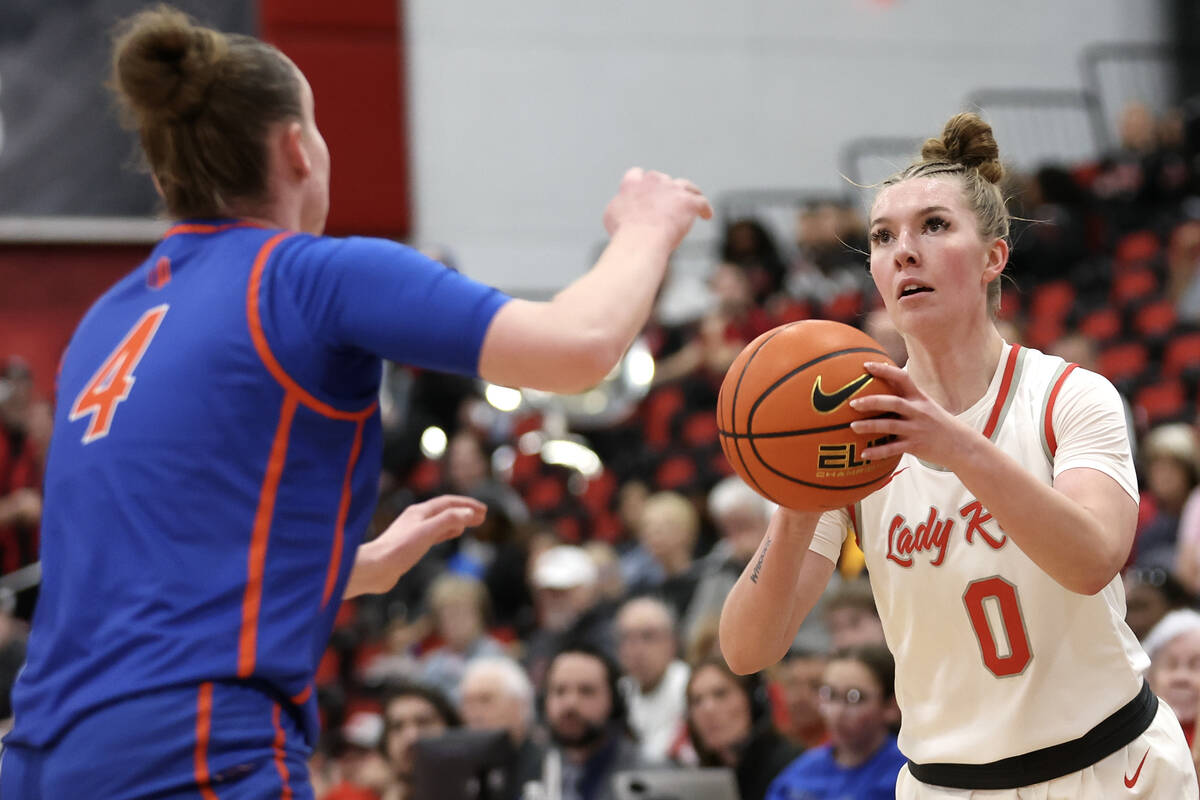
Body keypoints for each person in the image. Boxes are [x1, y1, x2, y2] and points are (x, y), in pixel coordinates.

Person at [1, 7, 711, 799]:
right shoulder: (306, 276)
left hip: (39, 756)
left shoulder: (106, 322)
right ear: (298, 150)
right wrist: (646, 227)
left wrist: (354, 569)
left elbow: (136, 574)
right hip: (190, 747)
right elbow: (579, 346)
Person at [719, 112, 1198, 797]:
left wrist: (952, 446)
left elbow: (1094, 561)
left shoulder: (1067, 395)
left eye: (934, 226)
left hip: (1110, 769)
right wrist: (798, 504)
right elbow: (748, 649)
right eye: (883, 238)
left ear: (993, 257)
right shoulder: (853, 438)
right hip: (946, 783)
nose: (903, 251)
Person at [765, 645, 906, 800]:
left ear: (891, 706)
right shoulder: (798, 776)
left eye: (855, 697)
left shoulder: (908, 775)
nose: (837, 712)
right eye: (830, 694)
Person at [542, 644, 649, 800]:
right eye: (560, 691)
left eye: (586, 691)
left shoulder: (649, 779)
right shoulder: (537, 771)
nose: (570, 703)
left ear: (614, 702)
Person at [685, 657, 800, 800]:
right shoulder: (696, 775)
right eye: (697, 701)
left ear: (753, 702)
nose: (708, 709)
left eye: (720, 694)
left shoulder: (792, 766)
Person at [458, 656, 546, 800]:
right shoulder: (458, 770)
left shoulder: (549, 765)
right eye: (467, 703)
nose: (474, 713)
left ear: (520, 705)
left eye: (485, 700)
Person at [615, 595, 690, 762]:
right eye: (627, 638)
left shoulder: (690, 688)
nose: (636, 649)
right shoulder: (619, 692)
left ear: (672, 643)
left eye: (648, 636)